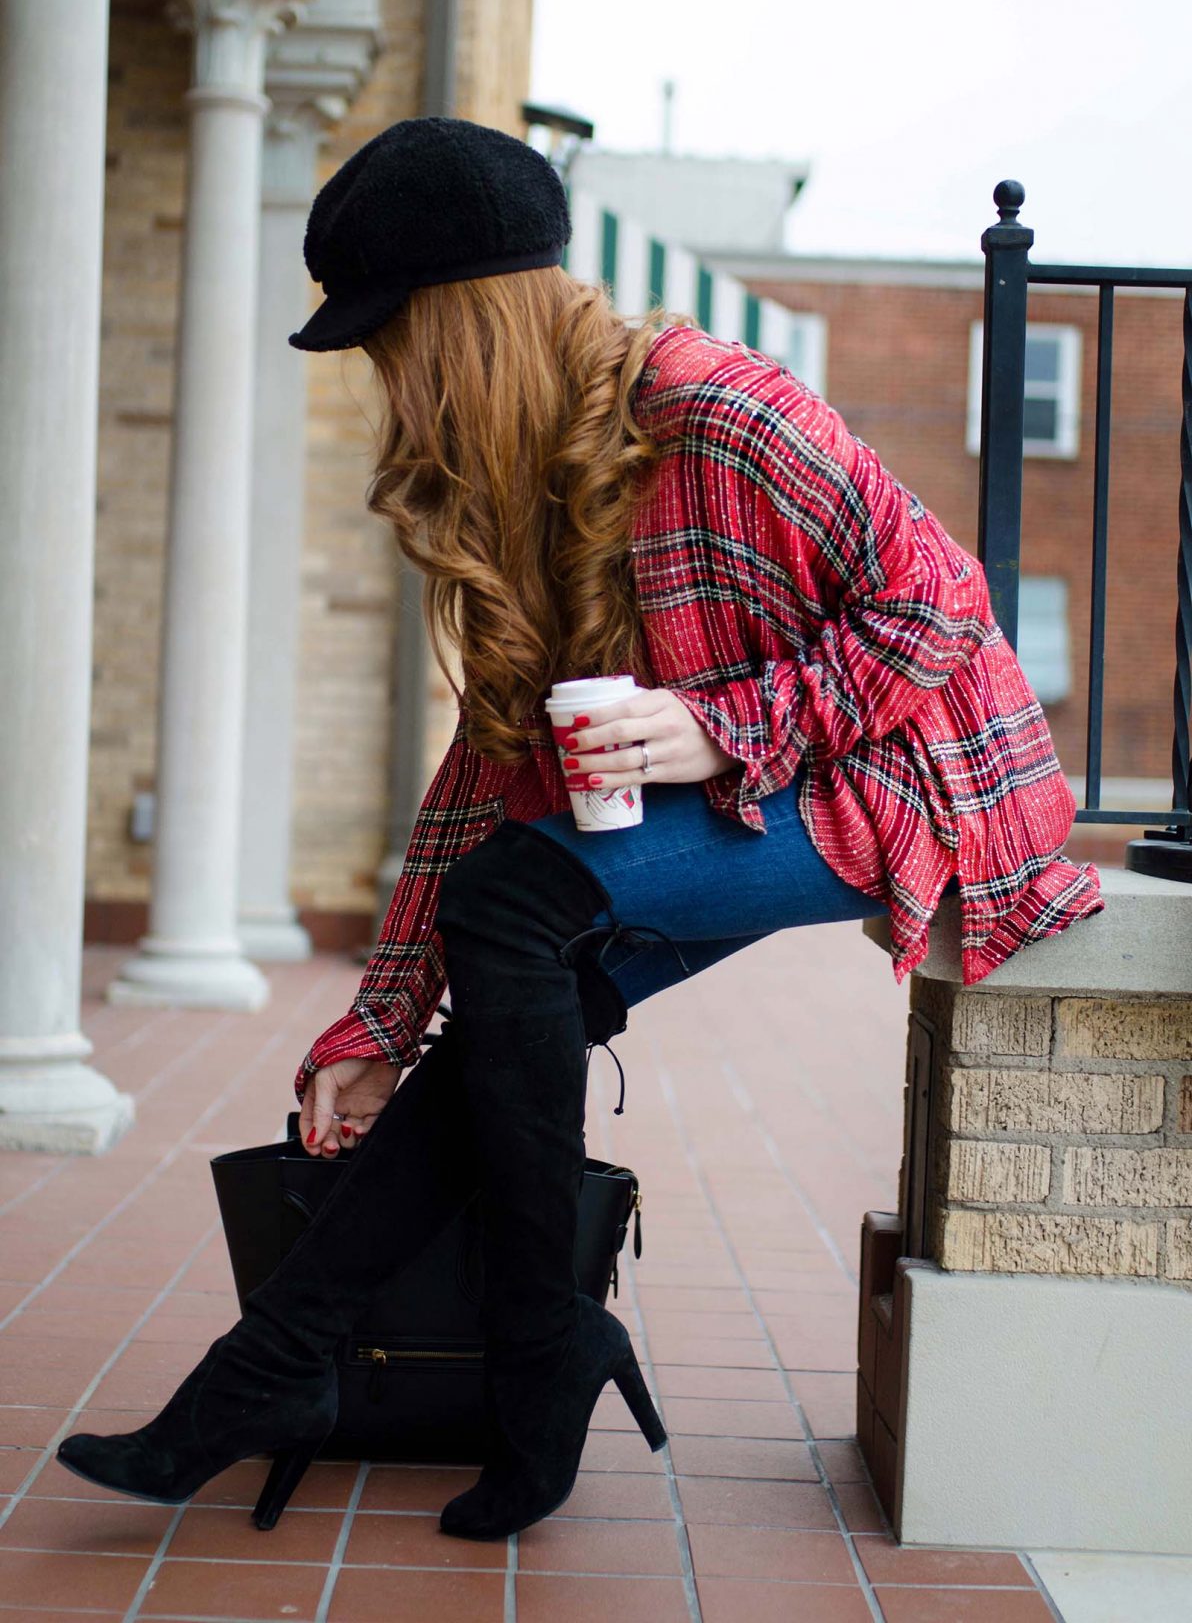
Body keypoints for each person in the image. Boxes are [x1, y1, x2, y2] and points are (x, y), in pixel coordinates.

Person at [56, 117, 1103, 1540]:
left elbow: (944, 604)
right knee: (509, 991)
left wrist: (721, 727)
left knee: (518, 910)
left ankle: (504, 1350)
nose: (385, 377)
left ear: (463, 318)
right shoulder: (529, 476)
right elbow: (485, 774)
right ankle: (284, 1371)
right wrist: (376, 1023)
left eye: (391, 337)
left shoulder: (720, 411)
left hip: (910, 777)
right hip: (754, 781)